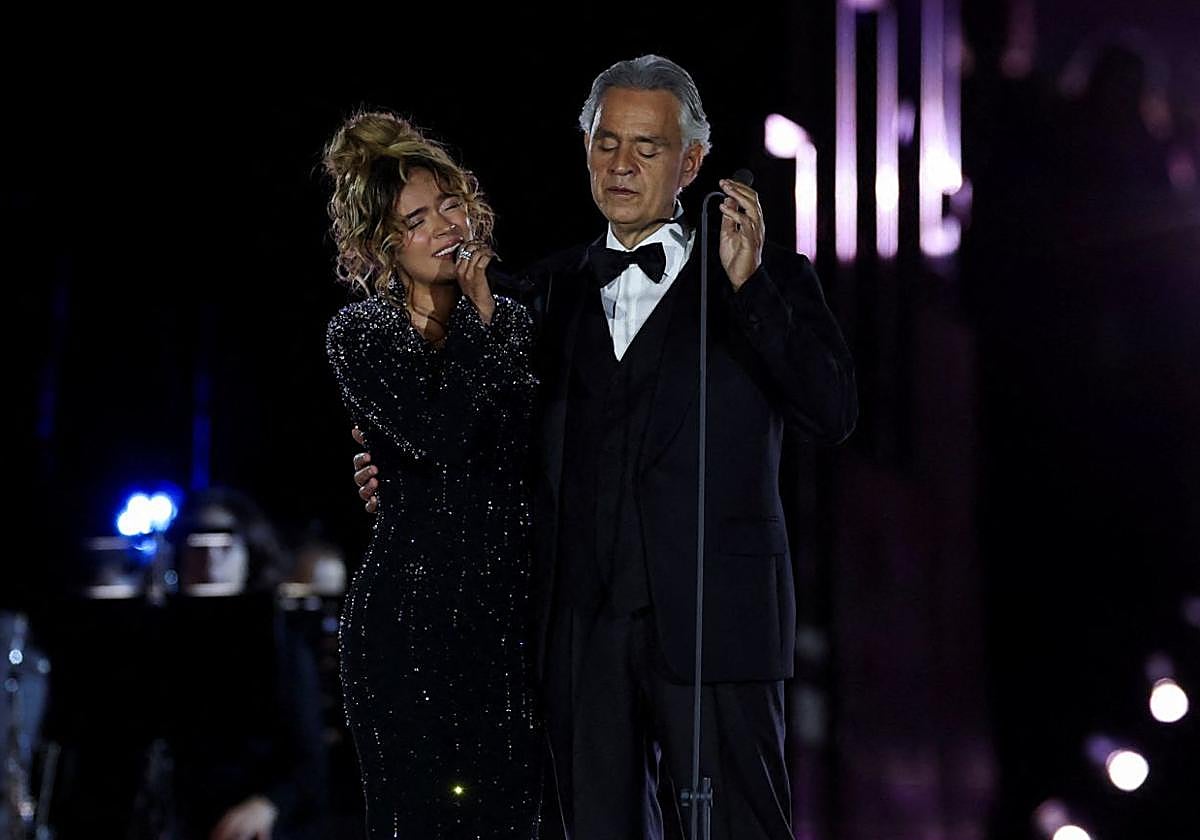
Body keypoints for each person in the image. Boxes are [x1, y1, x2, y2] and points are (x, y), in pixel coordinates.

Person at [353, 55, 857, 840]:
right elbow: (479, 438)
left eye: (647, 148)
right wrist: (401, 480)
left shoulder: (768, 279)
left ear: (691, 162)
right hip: (580, 632)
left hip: (719, 625)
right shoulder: (537, 296)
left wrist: (750, 290)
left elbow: (832, 413)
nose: (621, 165)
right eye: (606, 142)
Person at [323, 111, 541, 837]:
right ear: (385, 244)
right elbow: (443, 435)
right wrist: (477, 323)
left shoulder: (518, 321)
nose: (446, 225)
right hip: (407, 630)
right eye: (419, 217)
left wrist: (486, 321)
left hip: (504, 629)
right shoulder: (364, 334)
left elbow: (531, 454)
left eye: (452, 204)